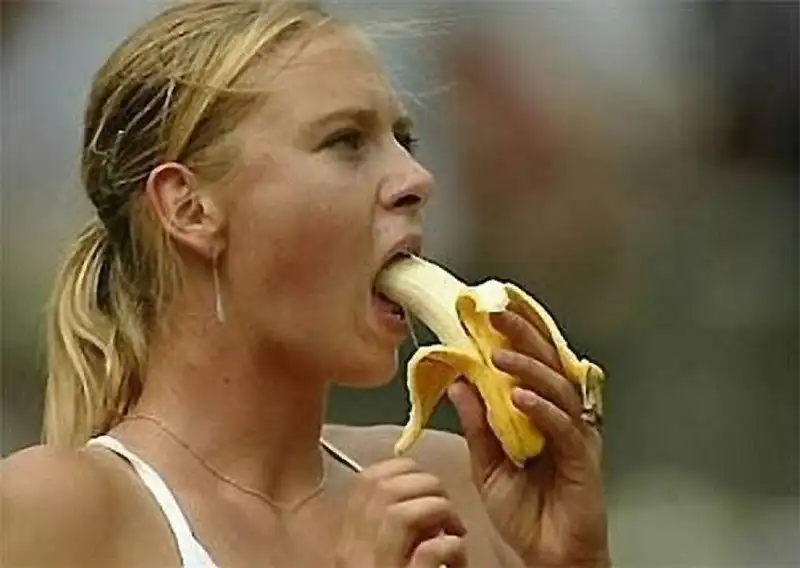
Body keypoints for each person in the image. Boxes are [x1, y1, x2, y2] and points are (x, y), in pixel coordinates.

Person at [0, 2, 609, 566]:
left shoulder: (460, 484)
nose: (417, 178)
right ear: (189, 208)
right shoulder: (56, 512)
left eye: (404, 140)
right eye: (346, 141)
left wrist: (574, 563)